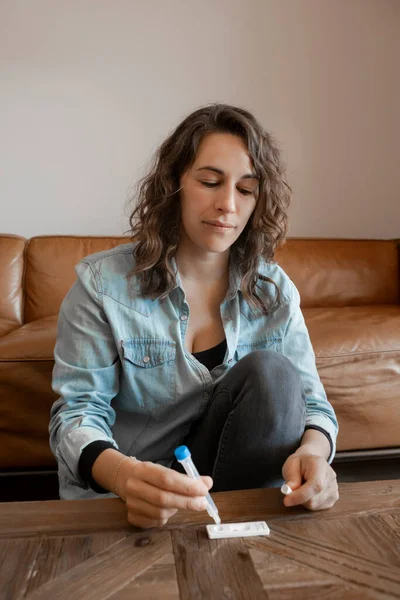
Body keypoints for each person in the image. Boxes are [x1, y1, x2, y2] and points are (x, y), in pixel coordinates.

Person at [49, 103, 339, 529]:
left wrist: (315, 456)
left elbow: (314, 406)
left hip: (230, 494)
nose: (227, 204)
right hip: (130, 493)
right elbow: (76, 415)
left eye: (246, 189)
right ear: (174, 184)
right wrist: (125, 477)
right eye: (210, 182)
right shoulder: (101, 285)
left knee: (273, 375)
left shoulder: (273, 291)